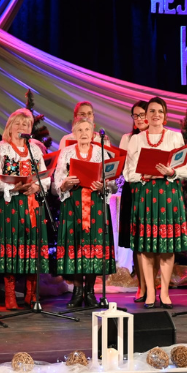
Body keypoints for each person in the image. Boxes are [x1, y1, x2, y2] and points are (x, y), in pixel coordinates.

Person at [123, 97, 187, 309]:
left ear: (165, 115)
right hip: (145, 195)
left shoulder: (175, 137)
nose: (156, 115)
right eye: (151, 111)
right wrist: (146, 175)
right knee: (146, 247)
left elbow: (184, 169)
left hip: (168, 195)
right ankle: (150, 292)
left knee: (167, 247)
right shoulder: (136, 139)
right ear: (146, 115)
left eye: (160, 111)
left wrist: (170, 172)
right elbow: (128, 172)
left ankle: (165, 293)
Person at [54, 118, 117, 308]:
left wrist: (104, 185)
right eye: (79, 130)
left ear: (93, 133)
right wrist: (65, 183)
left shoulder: (101, 153)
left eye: (87, 129)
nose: (83, 133)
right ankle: (77, 290)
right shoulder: (67, 152)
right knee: (75, 246)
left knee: (93, 246)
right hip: (73, 204)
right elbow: (57, 182)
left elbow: (113, 183)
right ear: (74, 133)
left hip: (95, 204)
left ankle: (89, 291)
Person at [0, 109, 51, 310]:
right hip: (10, 205)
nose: (21, 127)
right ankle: (10, 294)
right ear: (10, 127)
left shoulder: (35, 150)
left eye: (25, 124)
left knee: (32, 247)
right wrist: (13, 187)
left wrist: (37, 187)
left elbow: (45, 177)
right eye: (17, 123)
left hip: (32, 204)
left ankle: (31, 293)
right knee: (11, 247)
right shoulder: (2, 149)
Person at [118, 100, 156, 303]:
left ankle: (153, 285)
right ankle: (141, 285)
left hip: (153, 190)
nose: (139, 119)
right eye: (136, 115)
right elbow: (123, 165)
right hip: (133, 190)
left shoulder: (157, 137)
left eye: (142, 114)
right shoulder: (128, 138)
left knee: (153, 240)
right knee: (137, 240)